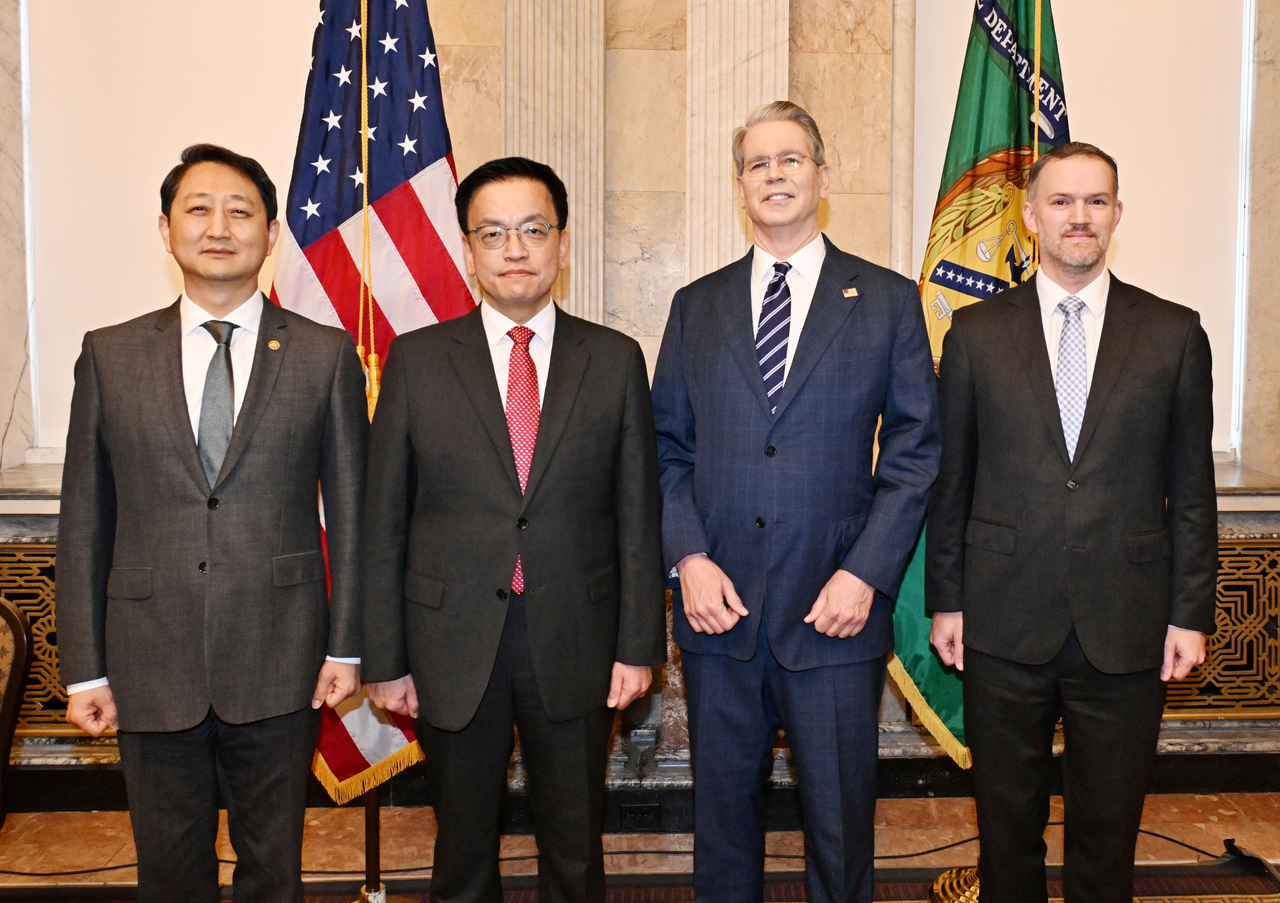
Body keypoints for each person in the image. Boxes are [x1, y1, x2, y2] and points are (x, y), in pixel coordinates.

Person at [57, 144, 367, 903]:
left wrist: (347, 645)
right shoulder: (110, 355)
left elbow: (355, 515)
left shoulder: (325, 356)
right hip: (148, 657)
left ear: (270, 233)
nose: (219, 226)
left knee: (274, 870)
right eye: (198, 208)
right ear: (165, 229)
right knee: (168, 872)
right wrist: (86, 666)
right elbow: (85, 519)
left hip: (282, 655)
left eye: (241, 210)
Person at [651, 101, 941, 903]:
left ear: (823, 173)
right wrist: (688, 558)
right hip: (721, 613)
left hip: (835, 612)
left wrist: (866, 574)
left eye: (791, 158)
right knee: (722, 827)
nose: (774, 174)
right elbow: (666, 450)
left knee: (842, 828)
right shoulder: (695, 306)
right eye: (757, 163)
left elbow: (916, 451)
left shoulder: (885, 300)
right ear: (740, 184)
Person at [361, 156, 666, 903]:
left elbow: (637, 513)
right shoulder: (417, 360)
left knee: (574, 844)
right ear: (468, 249)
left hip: (578, 638)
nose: (515, 249)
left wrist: (637, 646)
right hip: (450, 642)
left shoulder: (616, 358)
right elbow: (384, 521)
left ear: (562, 243)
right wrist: (386, 657)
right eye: (493, 233)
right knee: (462, 850)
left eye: (534, 229)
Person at [926, 141, 1217, 903]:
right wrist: (945, 599)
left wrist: (1190, 613)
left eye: (1095, 201)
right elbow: (949, 482)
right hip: (999, 617)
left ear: (1117, 214)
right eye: (1061, 201)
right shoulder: (976, 334)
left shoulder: (1174, 333)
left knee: (1108, 830)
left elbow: (1191, 490)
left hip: (1127, 621)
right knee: (1005, 825)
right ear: (1029, 216)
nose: (1078, 217)